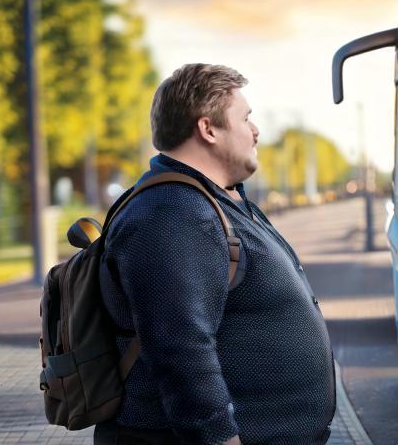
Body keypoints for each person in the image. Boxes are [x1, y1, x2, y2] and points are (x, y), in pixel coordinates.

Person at [96, 63, 335, 445]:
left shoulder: (209, 200)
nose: (256, 131)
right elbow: (180, 349)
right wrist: (218, 436)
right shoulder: (173, 213)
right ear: (208, 129)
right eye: (246, 118)